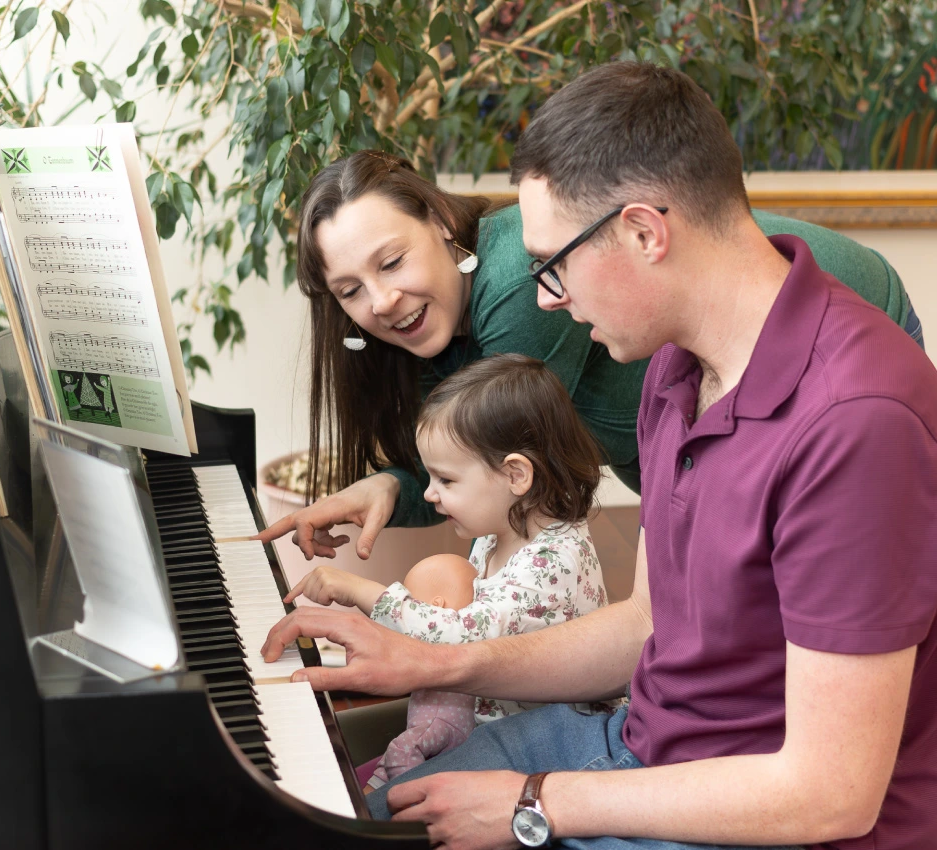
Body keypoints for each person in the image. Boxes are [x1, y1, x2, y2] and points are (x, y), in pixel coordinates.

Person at [262, 61, 937, 850]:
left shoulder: (858, 423)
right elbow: (645, 626)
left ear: (646, 232)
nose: (546, 297)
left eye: (554, 264)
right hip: (643, 750)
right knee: (370, 814)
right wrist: (430, 662)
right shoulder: (674, 365)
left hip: (759, 815)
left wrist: (535, 803)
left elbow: (829, 796)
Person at [256, 147, 924, 564]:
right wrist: (385, 486)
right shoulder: (438, 321)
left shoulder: (518, 284)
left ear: (438, 223)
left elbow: (492, 472)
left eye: (392, 261)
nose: (378, 301)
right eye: (349, 290)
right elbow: (477, 466)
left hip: (839, 319)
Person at [282, 354, 611, 777]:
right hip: (492, 729)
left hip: (546, 753)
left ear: (515, 476)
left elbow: (461, 639)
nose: (429, 495)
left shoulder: (554, 561)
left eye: (446, 480)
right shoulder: (498, 532)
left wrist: (359, 591)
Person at [360, 553, 477, 792]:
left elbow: (404, 751)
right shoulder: (471, 642)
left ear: (435, 608)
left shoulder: (445, 641)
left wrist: (410, 796)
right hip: (435, 743)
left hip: (434, 732)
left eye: (411, 603)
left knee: (399, 754)